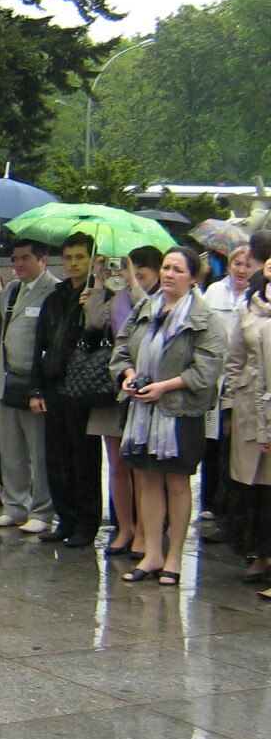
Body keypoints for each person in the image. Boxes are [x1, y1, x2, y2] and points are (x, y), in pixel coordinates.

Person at [111, 247, 228, 586]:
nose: (169, 274)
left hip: (180, 411)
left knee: (176, 482)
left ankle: (174, 557)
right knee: (147, 479)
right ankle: (152, 554)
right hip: (142, 410)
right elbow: (121, 348)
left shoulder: (205, 318)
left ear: (193, 277)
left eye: (178, 269)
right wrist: (128, 375)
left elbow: (206, 371)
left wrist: (164, 386)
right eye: (166, 267)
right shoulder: (145, 308)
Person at [85, 246, 162, 557]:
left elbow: (149, 316)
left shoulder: (158, 299)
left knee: (140, 468)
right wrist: (99, 282)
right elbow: (93, 322)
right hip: (113, 384)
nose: (135, 272)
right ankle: (125, 527)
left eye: (141, 268)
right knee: (117, 463)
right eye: (131, 265)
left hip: (145, 387)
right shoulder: (115, 294)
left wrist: (133, 283)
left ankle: (144, 530)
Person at [31, 232, 106, 548]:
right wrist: (36, 389)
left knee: (83, 458)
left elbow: (100, 339)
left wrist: (93, 306)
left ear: (92, 260)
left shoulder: (98, 294)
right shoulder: (56, 297)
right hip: (54, 385)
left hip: (83, 387)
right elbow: (40, 344)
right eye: (69, 257)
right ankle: (65, 519)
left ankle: (87, 523)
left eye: (80, 257)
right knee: (57, 458)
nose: (73, 263)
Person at [0, 238, 58, 534]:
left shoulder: (54, 290)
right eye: (15, 258)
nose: (17, 264)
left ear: (42, 260)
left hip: (35, 383)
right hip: (8, 379)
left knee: (39, 452)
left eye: (24, 258)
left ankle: (42, 510)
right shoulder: (12, 289)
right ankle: (14, 506)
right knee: (11, 449)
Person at [222, 268, 271, 587]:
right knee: (248, 484)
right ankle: (256, 553)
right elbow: (234, 361)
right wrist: (228, 406)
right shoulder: (247, 308)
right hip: (248, 405)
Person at [200, 245, 254, 517]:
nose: (241, 270)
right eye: (237, 264)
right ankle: (209, 502)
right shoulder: (214, 291)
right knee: (212, 441)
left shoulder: (257, 296)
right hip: (215, 377)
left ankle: (231, 503)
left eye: (247, 265)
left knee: (234, 442)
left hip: (241, 379)